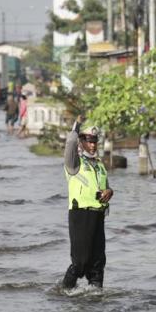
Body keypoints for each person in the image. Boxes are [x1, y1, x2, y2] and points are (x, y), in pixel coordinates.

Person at [62, 117, 114, 289]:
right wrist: (76, 126)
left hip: (98, 215)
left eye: (95, 142)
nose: (93, 145)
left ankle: (96, 298)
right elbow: (70, 143)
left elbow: (105, 187)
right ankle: (64, 292)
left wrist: (110, 191)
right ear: (82, 141)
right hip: (80, 215)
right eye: (89, 141)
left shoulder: (100, 165)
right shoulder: (74, 163)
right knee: (80, 262)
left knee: (98, 263)